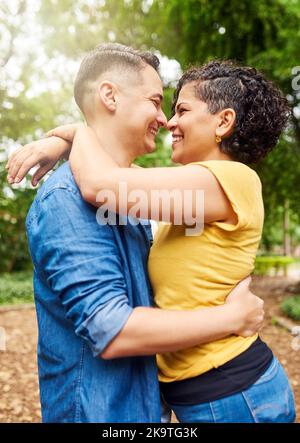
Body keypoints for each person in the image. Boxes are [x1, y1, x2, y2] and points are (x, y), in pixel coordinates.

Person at [14, 57, 296, 423]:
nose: (169, 121)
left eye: (181, 109)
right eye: (159, 104)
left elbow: (103, 184)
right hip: (207, 396)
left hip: (235, 394)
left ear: (223, 122)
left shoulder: (230, 179)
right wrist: (67, 139)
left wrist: (79, 132)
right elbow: (116, 176)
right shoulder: (187, 191)